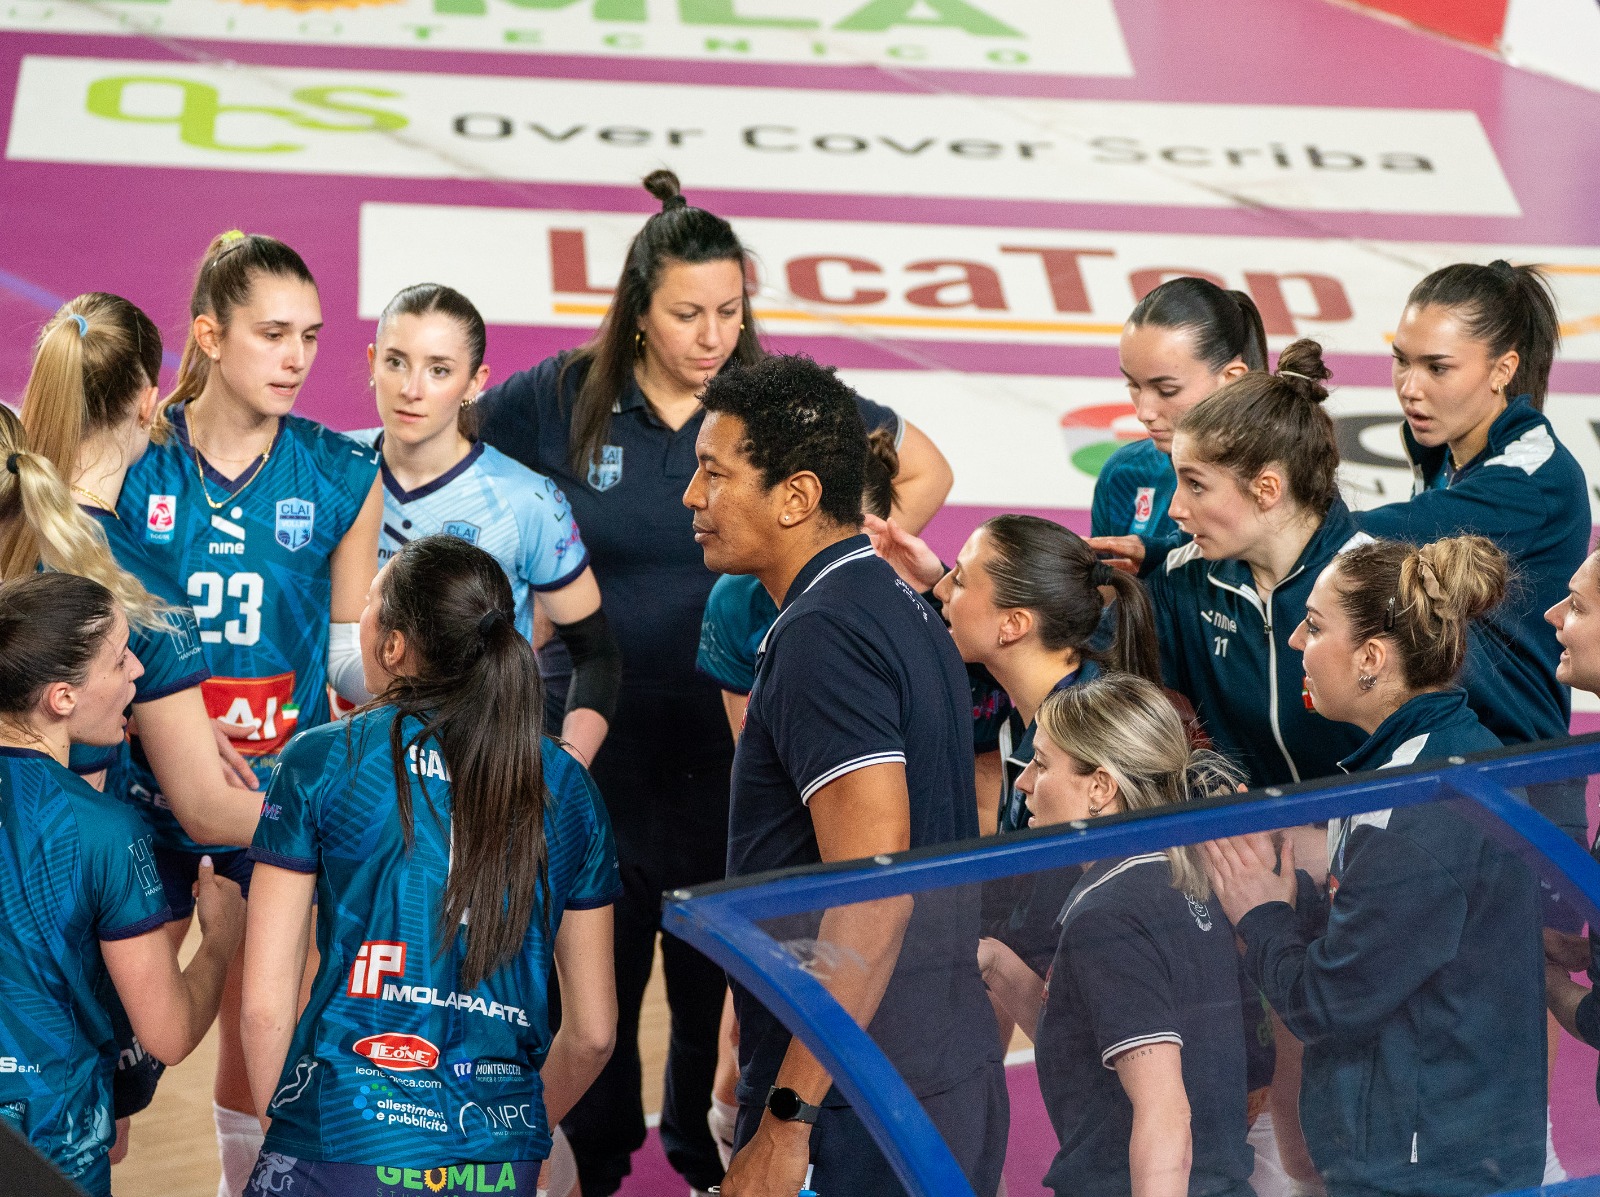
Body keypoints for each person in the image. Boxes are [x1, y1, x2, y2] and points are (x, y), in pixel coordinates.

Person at [476, 170, 953, 1197]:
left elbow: (926, 467)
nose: (713, 336)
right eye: (688, 314)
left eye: (731, 312)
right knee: (586, 1004)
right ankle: (592, 1170)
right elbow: (446, 458)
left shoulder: (767, 411)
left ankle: (707, 1163)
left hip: (730, 749)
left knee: (719, 1004)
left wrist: (834, 561)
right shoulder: (559, 396)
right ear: (636, 312)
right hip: (593, 751)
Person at [684, 353, 1004, 1197]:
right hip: (919, 1075)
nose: (692, 496)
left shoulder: (824, 636)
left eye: (714, 472)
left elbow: (874, 888)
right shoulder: (891, 600)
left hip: (858, 1103)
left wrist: (788, 1119)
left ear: (795, 496)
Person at [115, 231, 383, 1193]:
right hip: (138, 797)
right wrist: (171, 717)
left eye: (309, 335)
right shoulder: (134, 460)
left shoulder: (342, 472)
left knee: (268, 1037)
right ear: (208, 335)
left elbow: (349, 658)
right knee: (111, 1061)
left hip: (274, 801)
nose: (296, 357)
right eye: (272, 334)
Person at [240, 534, 620, 1193]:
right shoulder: (568, 786)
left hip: (339, 1140)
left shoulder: (322, 759)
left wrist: (297, 1130)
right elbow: (593, 1034)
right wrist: (514, 1135)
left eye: (368, 601)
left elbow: (264, 1009)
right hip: (497, 1152)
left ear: (393, 646)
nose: (359, 617)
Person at [1205, 534, 1547, 1197]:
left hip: (1426, 1173)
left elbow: (1330, 1001)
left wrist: (1263, 914)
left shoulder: (1421, 803)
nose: (1296, 641)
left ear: (1370, 657)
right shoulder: (1428, 760)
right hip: (1431, 1151)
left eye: (1315, 625)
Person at [0, 572, 245, 1197]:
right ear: (61, 697)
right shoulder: (107, 831)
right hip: (51, 1148)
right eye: (118, 660)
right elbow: (168, 1032)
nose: (139, 669)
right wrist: (220, 940)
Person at [980, 673, 1255, 1197]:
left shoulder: (1107, 916)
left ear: (1101, 788)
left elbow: (1164, 1112)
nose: (1023, 783)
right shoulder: (1176, 879)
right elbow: (1094, 1035)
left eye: (1041, 764)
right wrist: (994, 962)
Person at [1353, 261, 1589, 856]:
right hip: (1457, 768)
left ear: (1502, 369)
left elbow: (1362, 542)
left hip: (1521, 788)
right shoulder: (1447, 453)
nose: (1410, 387)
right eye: (1402, 360)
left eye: (1437, 367)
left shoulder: (1530, 479)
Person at [360, 283, 619, 763]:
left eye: (439, 370)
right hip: (342, 768)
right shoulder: (329, 468)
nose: (411, 389)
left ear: (475, 383)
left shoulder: (525, 500)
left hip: (478, 776)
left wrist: (566, 774)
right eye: (396, 362)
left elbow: (596, 656)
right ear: (373, 362)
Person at [1150, 338, 1368, 787]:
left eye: (1195, 484)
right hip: (1239, 829)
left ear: (1267, 489)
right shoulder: (1181, 579)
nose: (1175, 509)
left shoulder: (1379, 591)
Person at [1089, 277, 1268, 575]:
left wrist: (1159, 561)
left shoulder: (1283, 480)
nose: (1143, 413)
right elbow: (1104, 597)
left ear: (1231, 379)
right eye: (1133, 385)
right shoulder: (1123, 472)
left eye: (1167, 390)